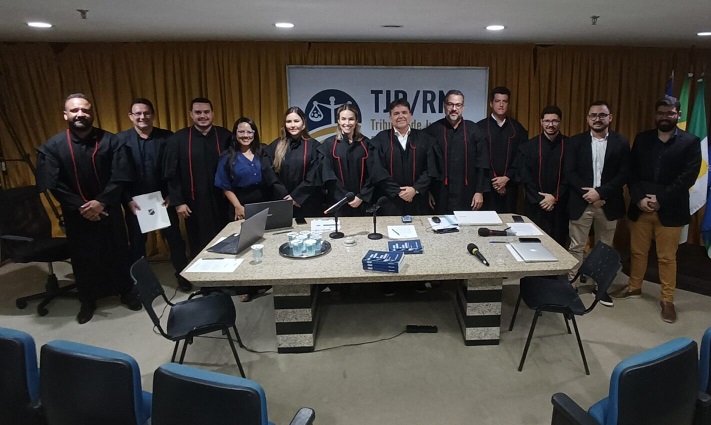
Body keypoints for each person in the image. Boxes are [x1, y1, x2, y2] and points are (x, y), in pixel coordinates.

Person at [35, 94, 142, 324]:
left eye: (84, 110)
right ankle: (87, 300)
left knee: (118, 251)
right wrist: (83, 206)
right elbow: (53, 184)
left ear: (92, 113)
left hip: (109, 209)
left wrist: (101, 202)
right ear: (65, 115)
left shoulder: (112, 141)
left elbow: (120, 175)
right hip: (77, 214)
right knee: (84, 258)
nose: (80, 114)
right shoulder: (53, 147)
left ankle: (126, 291)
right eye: (74, 110)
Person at [611, 96, 702, 323]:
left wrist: (660, 198)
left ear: (678, 115)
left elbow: (688, 177)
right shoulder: (643, 139)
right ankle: (634, 287)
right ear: (656, 115)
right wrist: (639, 197)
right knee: (637, 252)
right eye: (661, 113)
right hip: (641, 207)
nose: (665, 117)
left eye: (670, 113)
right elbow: (632, 172)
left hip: (670, 210)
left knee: (667, 258)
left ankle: (667, 300)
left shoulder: (691, 142)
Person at [117, 98, 191, 292]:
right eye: (138, 113)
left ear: (153, 115)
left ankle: (182, 275)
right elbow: (117, 174)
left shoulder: (168, 138)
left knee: (175, 240)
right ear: (131, 116)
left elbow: (176, 170)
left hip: (164, 200)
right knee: (137, 244)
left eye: (146, 113)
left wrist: (172, 196)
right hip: (135, 202)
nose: (142, 117)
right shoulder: (120, 141)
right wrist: (127, 200)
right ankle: (138, 283)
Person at [565, 101, 629, 307]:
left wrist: (601, 193)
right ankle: (572, 284)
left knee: (604, 248)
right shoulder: (575, 142)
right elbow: (569, 172)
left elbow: (624, 174)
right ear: (588, 118)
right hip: (581, 202)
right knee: (576, 246)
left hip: (607, 203)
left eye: (602, 115)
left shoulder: (621, 142)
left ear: (610, 118)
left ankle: (600, 287)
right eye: (593, 115)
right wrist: (589, 194)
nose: (597, 119)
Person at [215, 117, 285, 301]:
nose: (245, 135)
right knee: (243, 246)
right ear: (235, 134)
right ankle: (243, 288)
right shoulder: (227, 156)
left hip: (263, 201)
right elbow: (224, 185)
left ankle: (262, 282)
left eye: (249, 132)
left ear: (254, 133)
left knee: (264, 242)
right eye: (241, 132)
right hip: (240, 204)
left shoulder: (262, 151)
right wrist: (237, 206)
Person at [164, 97, 231, 258]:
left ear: (212, 113)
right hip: (194, 203)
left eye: (206, 112)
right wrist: (178, 202)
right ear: (191, 114)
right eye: (198, 112)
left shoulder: (225, 136)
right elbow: (171, 174)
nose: (202, 116)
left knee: (227, 238)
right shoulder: (178, 139)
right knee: (199, 242)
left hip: (223, 201)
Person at [370, 98, 438, 216]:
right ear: (390, 117)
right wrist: (398, 191)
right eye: (396, 113)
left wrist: (415, 189)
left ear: (410, 115)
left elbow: (430, 169)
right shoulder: (380, 139)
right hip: (390, 202)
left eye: (404, 112)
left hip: (418, 200)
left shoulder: (424, 138)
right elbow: (378, 171)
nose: (401, 116)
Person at [426, 90, 489, 213]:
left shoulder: (474, 130)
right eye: (450, 104)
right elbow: (427, 165)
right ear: (444, 106)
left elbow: (482, 163)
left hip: (467, 193)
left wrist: (479, 191)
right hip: (439, 193)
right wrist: (428, 191)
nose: (454, 108)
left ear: (463, 107)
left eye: (458, 105)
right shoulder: (432, 131)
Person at [317, 105, 387, 216]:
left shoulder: (366, 144)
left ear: (356, 121)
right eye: (343, 119)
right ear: (338, 121)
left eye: (351, 119)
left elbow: (374, 173)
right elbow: (328, 175)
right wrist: (345, 197)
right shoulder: (329, 145)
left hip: (363, 202)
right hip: (338, 202)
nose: (347, 123)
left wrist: (361, 196)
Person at [518, 105, 569, 247]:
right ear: (541, 122)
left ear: (560, 122)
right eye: (547, 121)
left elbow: (570, 175)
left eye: (554, 121)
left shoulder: (570, 145)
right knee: (534, 244)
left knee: (558, 245)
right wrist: (541, 199)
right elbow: (525, 177)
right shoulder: (529, 147)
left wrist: (554, 196)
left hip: (560, 205)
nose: (550, 125)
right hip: (536, 205)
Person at [476, 87, 529, 213]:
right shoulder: (479, 128)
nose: (501, 104)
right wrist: (495, 182)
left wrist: (507, 178)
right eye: (497, 101)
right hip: (486, 187)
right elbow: (477, 158)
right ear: (491, 104)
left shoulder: (517, 129)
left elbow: (521, 158)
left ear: (508, 104)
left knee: (509, 220)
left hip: (510, 186)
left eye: (504, 101)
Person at [263, 107, 322, 218]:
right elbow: (269, 173)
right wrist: (283, 194)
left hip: (307, 202)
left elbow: (314, 175)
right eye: (289, 121)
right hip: (282, 201)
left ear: (303, 124)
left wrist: (296, 197)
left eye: (296, 121)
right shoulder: (275, 146)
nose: (292, 125)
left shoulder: (314, 146)